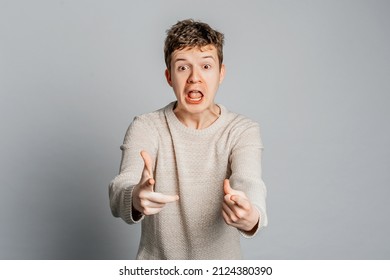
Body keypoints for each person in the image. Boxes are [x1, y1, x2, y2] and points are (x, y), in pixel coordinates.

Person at [109, 19, 267, 260]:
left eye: (206, 66)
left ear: (221, 73)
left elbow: (250, 185)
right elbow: (120, 189)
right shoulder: (146, 126)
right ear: (169, 76)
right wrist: (135, 197)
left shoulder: (242, 130)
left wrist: (250, 216)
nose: (195, 77)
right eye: (183, 67)